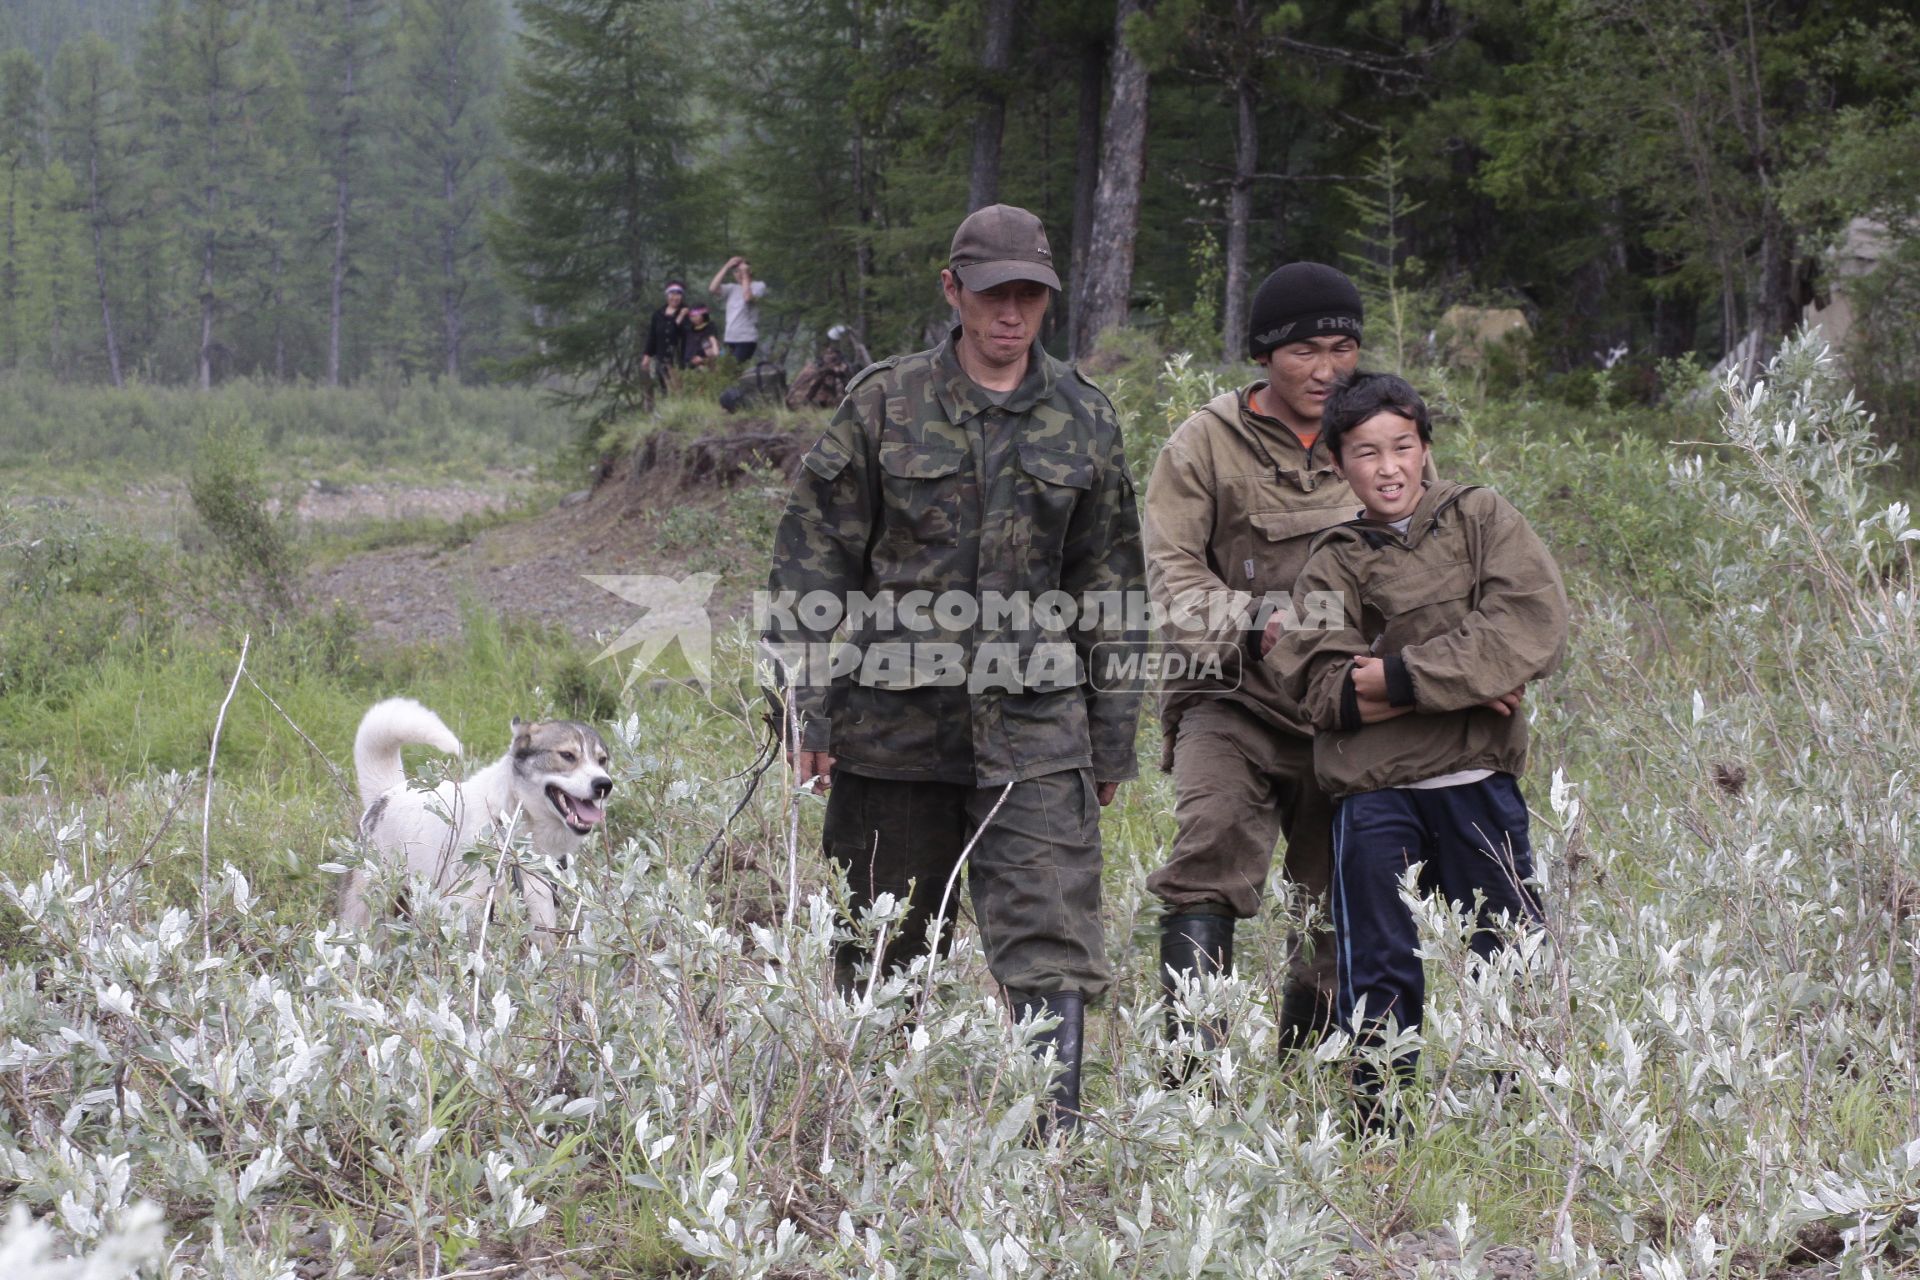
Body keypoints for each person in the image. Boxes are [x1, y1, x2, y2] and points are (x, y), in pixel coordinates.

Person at [761, 203, 1144, 1134]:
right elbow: (812, 561)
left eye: (1029, 296)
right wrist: (804, 713)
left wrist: (1110, 738)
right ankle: (868, 1136)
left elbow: (1110, 584)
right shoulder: (884, 405)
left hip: (1037, 729)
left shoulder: (1084, 419)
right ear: (952, 291)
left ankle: (1049, 1143)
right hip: (893, 728)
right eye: (991, 294)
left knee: (1050, 941)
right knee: (880, 941)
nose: (1010, 314)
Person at [1265, 371, 1566, 1126]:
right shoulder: (1333, 557)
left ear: (1426, 448)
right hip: (1373, 793)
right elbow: (1318, 687)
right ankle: (1379, 1122)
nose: (1389, 467)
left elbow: (1528, 631)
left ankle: (1525, 1120)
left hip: (1477, 783)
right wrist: (1463, 676)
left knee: (1510, 954)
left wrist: (1389, 672)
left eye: (1403, 446)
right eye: (1366, 453)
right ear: (1337, 464)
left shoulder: (1480, 517)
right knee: (1380, 962)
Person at [1143, 263, 1429, 1053]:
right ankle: (1189, 1087)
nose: (1328, 368)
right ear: (1266, 355)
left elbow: (1433, 563)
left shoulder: (1380, 433)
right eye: (1305, 350)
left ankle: (1303, 1078)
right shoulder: (1205, 443)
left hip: (1349, 711)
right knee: (1209, 851)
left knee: (1340, 896)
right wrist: (1255, 623)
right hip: (1231, 699)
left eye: (1343, 347)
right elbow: (1170, 576)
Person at [709, 255, 769, 363]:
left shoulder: (759, 286)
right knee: (727, 371)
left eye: (741, 270)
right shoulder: (731, 288)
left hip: (746, 338)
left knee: (735, 369)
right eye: (736, 271)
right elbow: (713, 288)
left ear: (750, 271)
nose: (739, 274)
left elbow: (747, 298)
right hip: (730, 338)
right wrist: (727, 266)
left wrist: (745, 274)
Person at [642, 281, 690, 390]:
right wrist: (647, 356)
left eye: (678, 294)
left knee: (678, 386)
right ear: (667, 295)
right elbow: (653, 336)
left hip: (679, 357)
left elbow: (682, 333)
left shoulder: (686, 313)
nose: (675, 297)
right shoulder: (658, 314)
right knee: (664, 386)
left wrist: (681, 316)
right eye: (672, 294)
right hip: (662, 356)